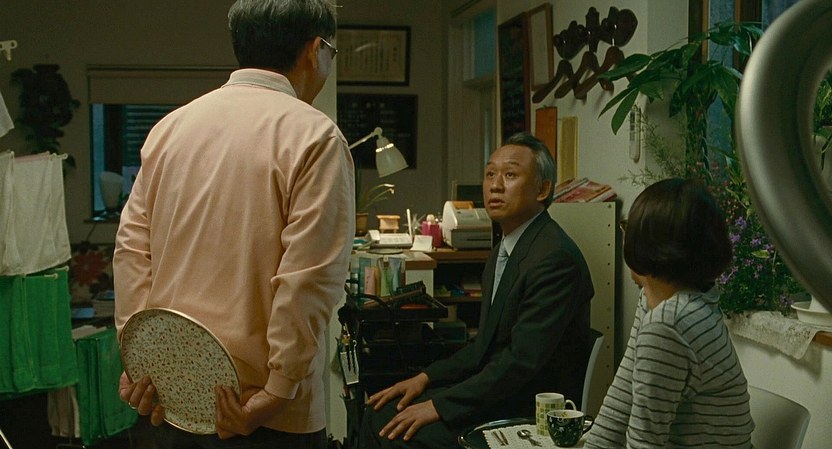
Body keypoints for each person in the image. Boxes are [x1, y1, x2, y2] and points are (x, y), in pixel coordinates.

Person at [113, 1, 354, 448]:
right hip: (263, 411)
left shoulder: (170, 129)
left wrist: (139, 357)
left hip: (168, 398)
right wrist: (279, 390)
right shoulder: (314, 135)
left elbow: (131, 252)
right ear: (315, 50)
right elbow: (310, 278)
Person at [360, 132, 595, 448]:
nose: (495, 185)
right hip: (496, 390)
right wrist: (425, 379)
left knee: (388, 429)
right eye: (490, 174)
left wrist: (438, 406)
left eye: (510, 175)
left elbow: (519, 364)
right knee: (379, 410)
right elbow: (482, 346)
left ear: (542, 189)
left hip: (525, 406)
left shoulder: (554, 258)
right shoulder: (505, 249)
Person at [584, 178, 754, 448]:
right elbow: (623, 394)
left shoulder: (669, 323)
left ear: (647, 245)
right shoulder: (665, 301)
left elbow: (644, 443)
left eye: (628, 228)